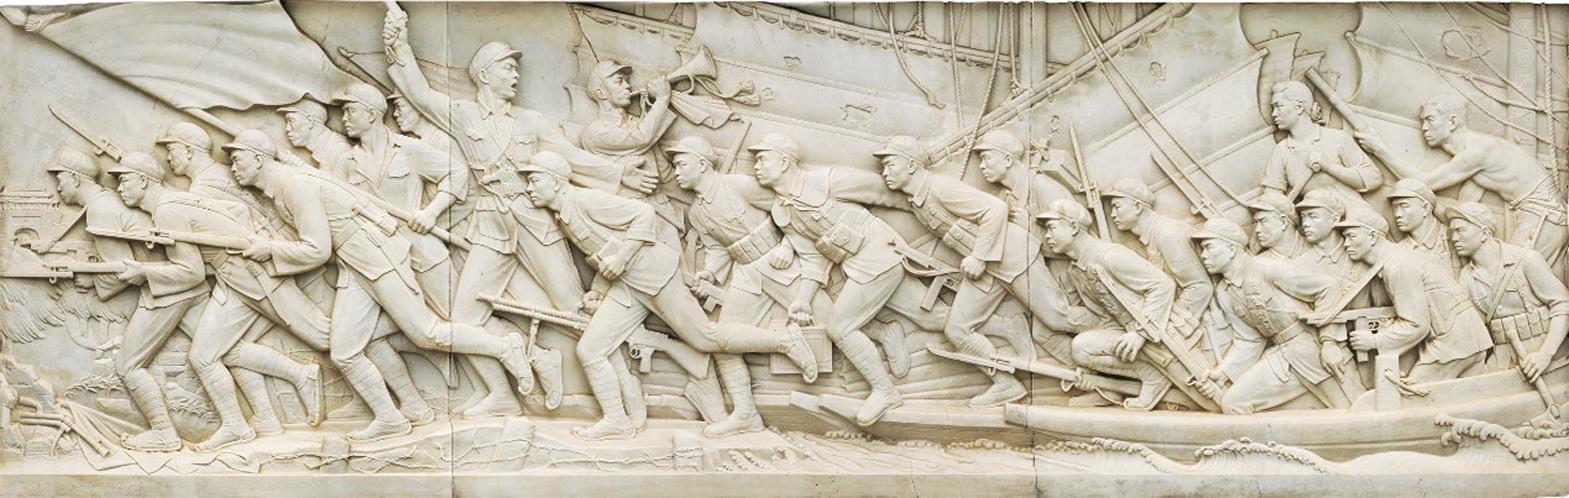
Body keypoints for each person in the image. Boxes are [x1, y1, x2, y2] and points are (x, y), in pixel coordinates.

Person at [383, 11, 656, 416]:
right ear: (485, 75)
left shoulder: (532, 121)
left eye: (516, 69)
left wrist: (619, 173)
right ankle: (516, 378)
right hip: (490, 226)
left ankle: (625, 398)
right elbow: (419, 93)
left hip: (535, 223)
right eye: (508, 68)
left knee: (574, 309)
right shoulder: (463, 114)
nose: (516, 76)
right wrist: (397, 43)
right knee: (464, 316)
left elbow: (569, 156)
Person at [229, 130, 532, 442]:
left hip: (376, 256)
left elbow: (317, 249)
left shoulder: (294, 185)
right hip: (355, 264)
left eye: (237, 159)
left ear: (258, 159)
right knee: (345, 351)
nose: (233, 166)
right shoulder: (288, 183)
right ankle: (392, 418)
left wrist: (270, 249)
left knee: (426, 333)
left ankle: (504, 347)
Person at [518, 151, 817, 440]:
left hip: (655, 276)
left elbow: (643, 214)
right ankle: (617, 421)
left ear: (555, 181)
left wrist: (622, 258)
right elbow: (604, 248)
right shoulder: (565, 214)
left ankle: (785, 341)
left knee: (705, 339)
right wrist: (598, 290)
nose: (529, 187)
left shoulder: (585, 200)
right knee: (590, 351)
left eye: (535, 180)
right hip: (629, 285)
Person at [108, 153, 326, 451]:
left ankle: (249, 417)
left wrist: (143, 272)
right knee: (214, 353)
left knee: (324, 336)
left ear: (144, 181)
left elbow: (191, 272)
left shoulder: (167, 211)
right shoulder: (177, 199)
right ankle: (286, 388)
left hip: (253, 280)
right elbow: (237, 210)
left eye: (124, 180)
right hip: (233, 279)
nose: (119, 187)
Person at [877, 135, 1091, 407]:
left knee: (1057, 318)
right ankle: (1005, 384)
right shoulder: (918, 199)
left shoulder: (940, 188)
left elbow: (994, 210)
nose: (884, 172)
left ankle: (1114, 338)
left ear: (910, 165)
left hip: (1013, 257)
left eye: (890, 164)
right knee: (957, 330)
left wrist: (979, 256)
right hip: (987, 269)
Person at [667, 136, 830, 437]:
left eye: (681, 164)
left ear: (701, 164)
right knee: (724, 341)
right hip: (746, 272)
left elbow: (789, 209)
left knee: (832, 321)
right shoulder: (696, 212)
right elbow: (717, 249)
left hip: (779, 263)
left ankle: (883, 335)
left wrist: (788, 246)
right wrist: (710, 274)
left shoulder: (740, 185)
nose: (675, 172)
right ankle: (746, 414)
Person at [48, 148, 203, 452]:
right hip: (179, 285)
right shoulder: (105, 202)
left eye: (61, 178)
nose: (57, 186)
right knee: (221, 354)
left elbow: (120, 270)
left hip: (167, 290)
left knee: (129, 365)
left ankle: (163, 432)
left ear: (76, 179)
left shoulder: (100, 209)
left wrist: (91, 281)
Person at [1037, 200, 1217, 411]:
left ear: (1074, 227)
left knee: (1212, 403)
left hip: (1159, 333)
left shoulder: (1109, 255)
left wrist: (1140, 334)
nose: (1047, 236)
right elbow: (1105, 317)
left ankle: (1158, 376)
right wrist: (1095, 371)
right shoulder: (1076, 270)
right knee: (1081, 348)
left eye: (1052, 227)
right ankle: (1151, 375)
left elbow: (1162, 285)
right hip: (1128, 331)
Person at [1356, 95, 1567, 268]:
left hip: (1545, 215)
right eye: (1422, 122)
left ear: (1453, 122)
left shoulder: (1477, 152)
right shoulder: (1474, 160)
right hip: (1537, 215)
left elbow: (1423, 182)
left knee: (1514, 272)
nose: (1424, 128)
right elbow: (1465, 206)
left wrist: (1379, 149)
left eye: (1430, 119)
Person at [1189, 219, 1352, 413]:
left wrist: (1329, 343)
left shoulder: (1267, 268)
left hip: (1312, 352)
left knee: (1348, 409)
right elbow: (1249, 339)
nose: (1203, 255)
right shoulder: (1225, 292)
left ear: (1231, 249)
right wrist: (1223, 373)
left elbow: (1327, 287)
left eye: (1209, 247)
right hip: (1281, 358)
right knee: (1233, 404)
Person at [1313, 208, 1493, 382]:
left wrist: (1374, 340)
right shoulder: (1395, 258)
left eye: (1351, 236)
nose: (1345, 244)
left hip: (1454, 345)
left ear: (1372, 236)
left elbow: (1416, 325)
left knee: (1408, 395)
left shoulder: (1397, 266)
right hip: (1468, 340)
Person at [1448, 201, 1569, 379]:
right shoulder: (1466, 277)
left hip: (1547, 357)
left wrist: (1545, 354)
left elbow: (1563, 304)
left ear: (1484, 233)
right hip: (1501, 362)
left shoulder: (1526, 260)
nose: (1453, 238)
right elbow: (1470, 331)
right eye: (1452, 232)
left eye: (1460, 230)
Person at [1262, 81, 1383, 206]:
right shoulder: (1281, 150)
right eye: (1273, 108)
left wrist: (1330, 167)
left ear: (1299, 107)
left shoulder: (1337, 138)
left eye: (1279, 106)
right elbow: (1272, 197)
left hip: (1354, 212)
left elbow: (1373, 178)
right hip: (1312, 216)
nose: (1274, 114)